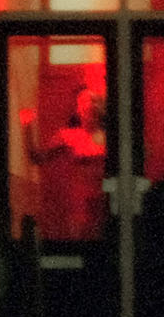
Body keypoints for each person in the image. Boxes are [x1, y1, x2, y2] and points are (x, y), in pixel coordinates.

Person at [20, 86, 107, 240]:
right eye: (85, 103)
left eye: (94, 101)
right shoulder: (69, 136)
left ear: (101, 108)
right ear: (79, 110)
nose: (90, 106)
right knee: (83, 240)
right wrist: (27, 125)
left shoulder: (112, 138)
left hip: (105, 201)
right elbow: (37, 157)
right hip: (81, 205)